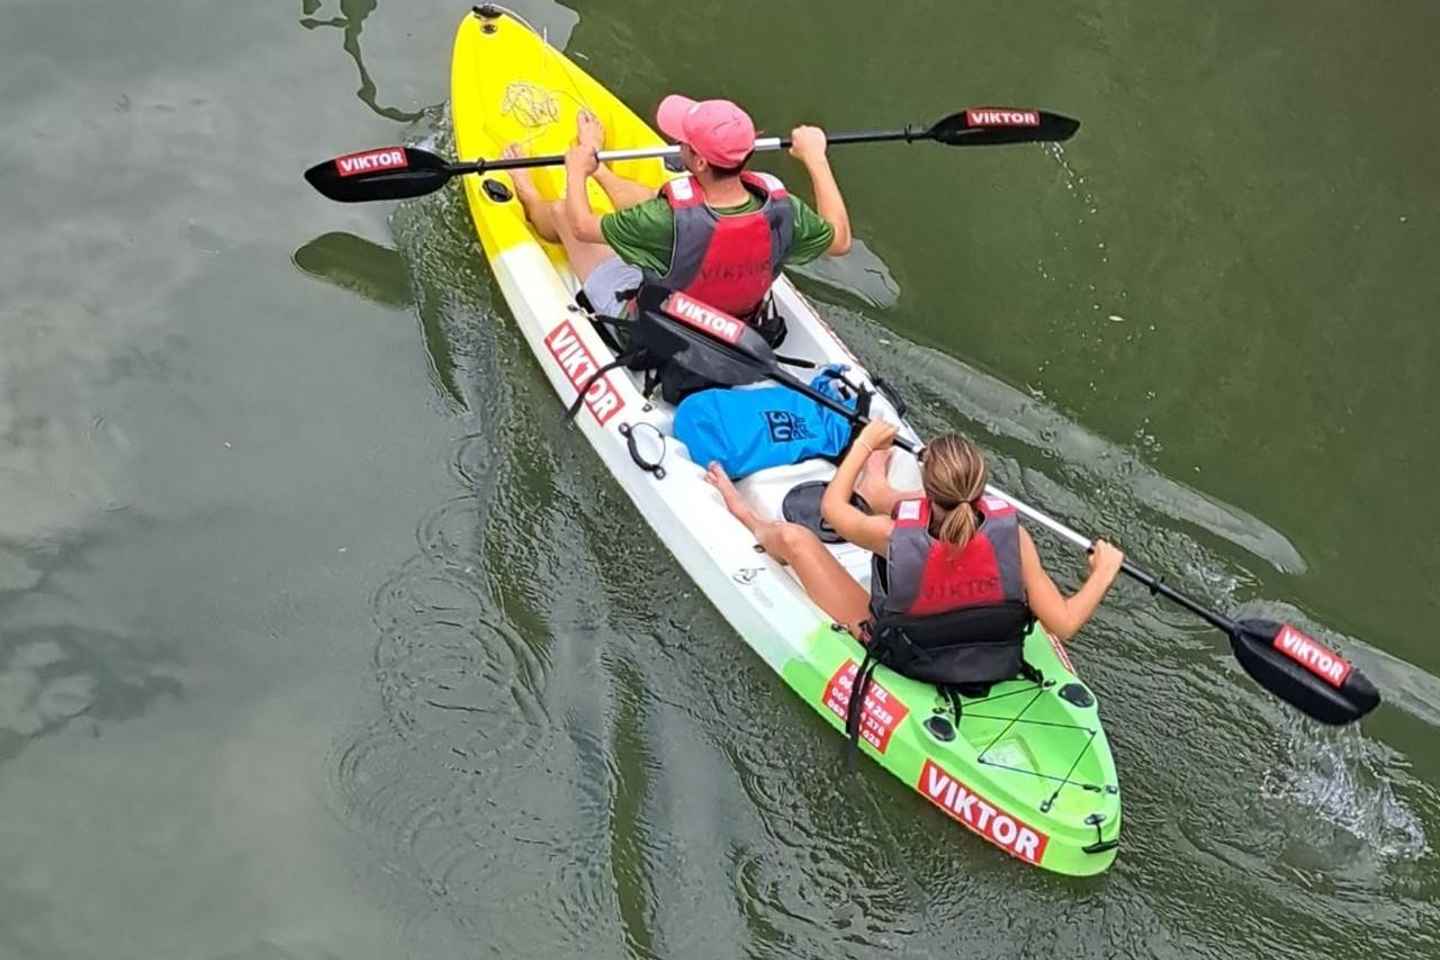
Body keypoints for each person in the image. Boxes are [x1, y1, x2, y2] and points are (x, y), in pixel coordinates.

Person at [704, 423, 1126, 655]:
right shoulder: (1015, 539)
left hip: (907, 652)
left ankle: (747, 517)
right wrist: (1103, 573)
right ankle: (878, 490)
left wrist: (865, 443)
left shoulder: (892, 536)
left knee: (795, 538)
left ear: (928, 488)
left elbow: (833, 509)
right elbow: (1064, 624)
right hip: (985, 651)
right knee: (900, 503)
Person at [505, 96, 851, 328]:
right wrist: (815, 158)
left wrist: (577, 168)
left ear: (699, 162)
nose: (678, 143)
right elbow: (840, 242)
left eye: (684, 142)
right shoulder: (783, 209)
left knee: (563, 213)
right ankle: (604, 173)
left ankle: (529, 196)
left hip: (655, 329)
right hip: (735, 323)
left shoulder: (665, 221)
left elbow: (582, 226)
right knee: (653, 200)